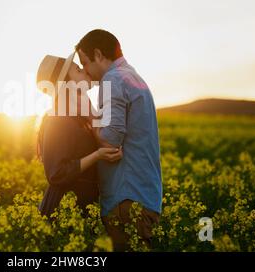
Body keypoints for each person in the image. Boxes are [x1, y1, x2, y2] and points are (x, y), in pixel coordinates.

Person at [76, 29, 163, 251]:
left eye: (85, 63)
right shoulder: (130, 76)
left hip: (126, 199)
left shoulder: (113, 79)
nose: (85, 71)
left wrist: (88, 113)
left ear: (98, 54)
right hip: (140, 196)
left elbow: (110, 141)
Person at [36, 53, 123, 217]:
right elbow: (57, 174)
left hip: (81, 208)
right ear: (67, 83)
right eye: (77, 69)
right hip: (63, 211)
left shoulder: (82, 113)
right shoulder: (58, 120)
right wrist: (97, 156)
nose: (84, 71)